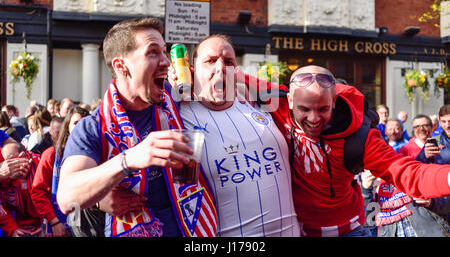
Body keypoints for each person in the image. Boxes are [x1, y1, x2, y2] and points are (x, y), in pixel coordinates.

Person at [56, 17, 217, 237]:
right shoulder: (92, 127)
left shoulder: (177, 98)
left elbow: (230, 86)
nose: (166, 62)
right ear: (121, 66)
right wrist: (128, 160)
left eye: (164, 51)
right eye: (153, 52)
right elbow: (67, 198)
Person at [267, 65, 450, 237]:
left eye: (323, 108)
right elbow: (240, 79)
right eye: (304, 108)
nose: (313, 118)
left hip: (348, 230)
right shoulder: (275, 104)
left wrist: (447, 177)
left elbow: (406, 172)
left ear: (334, 101)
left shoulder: (359, 136)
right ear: (290, 100)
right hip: (295, 229)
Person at [178, 34, 300, 236]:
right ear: (192, 70)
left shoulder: (260, 103)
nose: (220, 67)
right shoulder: (179, 114)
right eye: (210, 61)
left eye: (228, 61)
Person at [31, 107, 90, 237]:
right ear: (67, 127)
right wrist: (55, 222)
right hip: (57, 224)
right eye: (76, 123)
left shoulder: (97, 156)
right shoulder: (51, 155)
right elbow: (37, 192)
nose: (81, 127)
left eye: (85, 122)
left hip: (89, 225)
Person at [360, 169, 450, 237]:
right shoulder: (373, 188)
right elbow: (370, 223)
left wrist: (431, 202)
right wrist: (366, 190)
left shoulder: (410, 174)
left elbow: (446, 205)